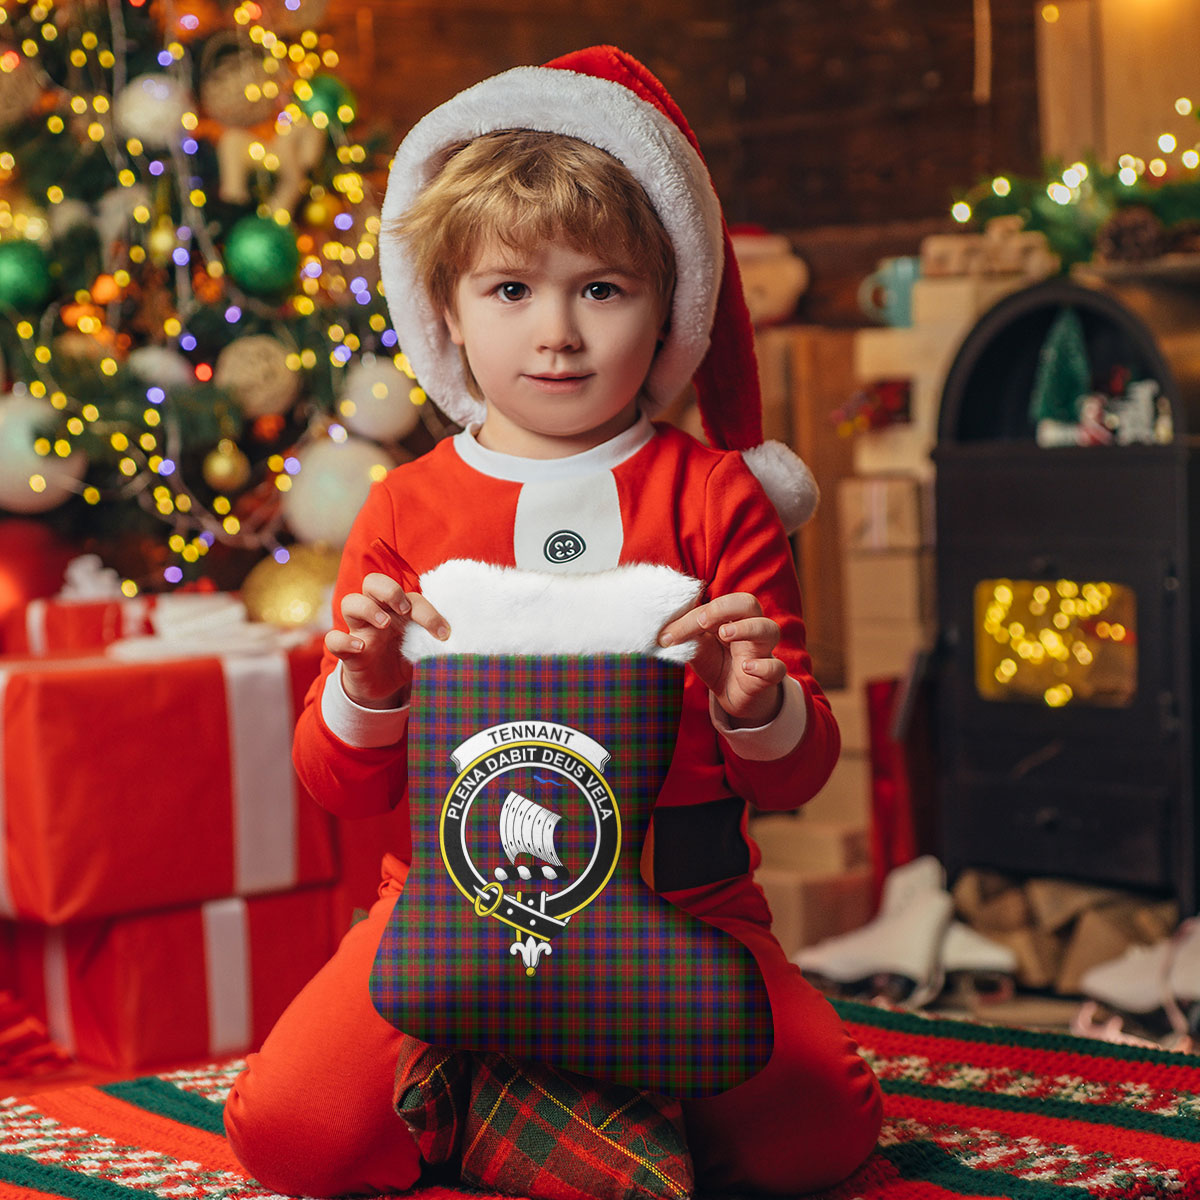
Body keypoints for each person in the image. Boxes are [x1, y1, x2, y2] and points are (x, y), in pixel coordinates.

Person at [224, 45, 882, 1197]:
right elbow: (339, 785)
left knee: (816, 1138)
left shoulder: (716, 496)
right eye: (512, 289)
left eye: (602, 288)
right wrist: (368, 687)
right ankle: (543, 1086)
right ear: (446, 310)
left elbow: (796, 780)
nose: (558, 334)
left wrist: (760, 706)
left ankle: (529, 1087)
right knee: (293, 1136)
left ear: (665, 303)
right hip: (447, 902)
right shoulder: (407, 503)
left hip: (685, 902)